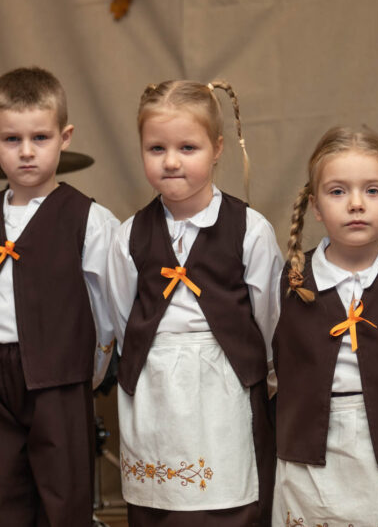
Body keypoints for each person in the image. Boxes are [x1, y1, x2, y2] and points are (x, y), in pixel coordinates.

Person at [0, 66, 119, 526]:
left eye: (40, 138)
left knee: (62, 496)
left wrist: (89, 372)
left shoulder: (91, 219)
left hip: (58, 373)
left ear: (65, 137)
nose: (26, 153)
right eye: (11, 140)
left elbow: (107, 308)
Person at [107, 80, 282, 526]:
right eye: (156, 148)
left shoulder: (250, 229)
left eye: (188, 147)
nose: (171, 161)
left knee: (229, 503)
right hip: (156, 385)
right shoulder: (128, 235)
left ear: (217, 147)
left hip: (225, 381)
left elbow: (268, 316)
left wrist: (252, 368)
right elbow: (123, 315)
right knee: (160, 505)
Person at [272, 126, 378, 525]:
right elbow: (272, 362)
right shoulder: (292, 279)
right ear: (315, 206)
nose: (355, 204)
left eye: (372, 190)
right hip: (313, 459)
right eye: (337, 191)